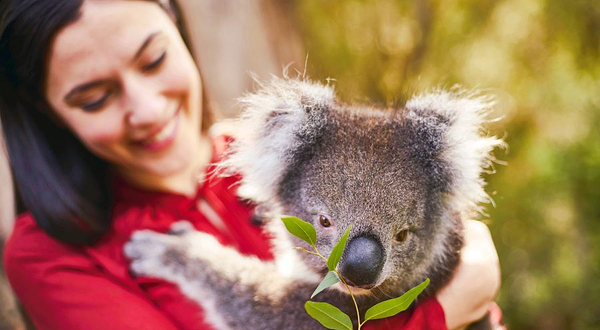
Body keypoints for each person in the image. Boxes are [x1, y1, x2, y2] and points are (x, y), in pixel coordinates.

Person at [0, 0, 503, 329]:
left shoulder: (255, 153)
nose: (148, 109)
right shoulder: (46, 253)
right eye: (94, 98)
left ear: (179, 26)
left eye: (153, 60)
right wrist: (443, 311)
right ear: (47, 109)